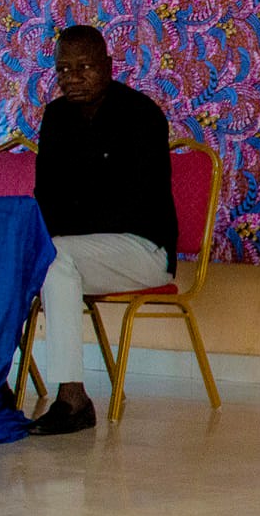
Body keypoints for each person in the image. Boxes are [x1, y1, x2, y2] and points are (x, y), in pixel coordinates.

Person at [27, 25, 180, 437]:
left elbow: (133, 203)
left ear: (108, 67)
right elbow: (46, 196)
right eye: (63, 70)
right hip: (75, 251)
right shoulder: (56, 117)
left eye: (84, 67)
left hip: (142, 250)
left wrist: (70, 220)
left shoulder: (140, 115)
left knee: (54, 255)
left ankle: (72, 397)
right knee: (31, 258)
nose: (72, 78)